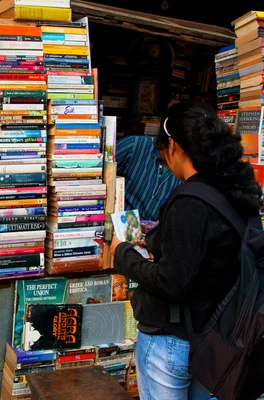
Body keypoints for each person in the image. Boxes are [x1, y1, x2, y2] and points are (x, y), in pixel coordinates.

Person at [110, 100, 262, 400]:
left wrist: (122, 252)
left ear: (175, 146)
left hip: (172, 342)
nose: (165, 162)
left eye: (164, 153)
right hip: (215, 341)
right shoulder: (236, 192)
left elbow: (172, 282)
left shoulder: (189, 200)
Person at [116, 134, 182, 221]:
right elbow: (97, 174)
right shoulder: (133, 145)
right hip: (118, 225)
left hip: (152, 232)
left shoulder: (184, 170)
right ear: (173, 143)